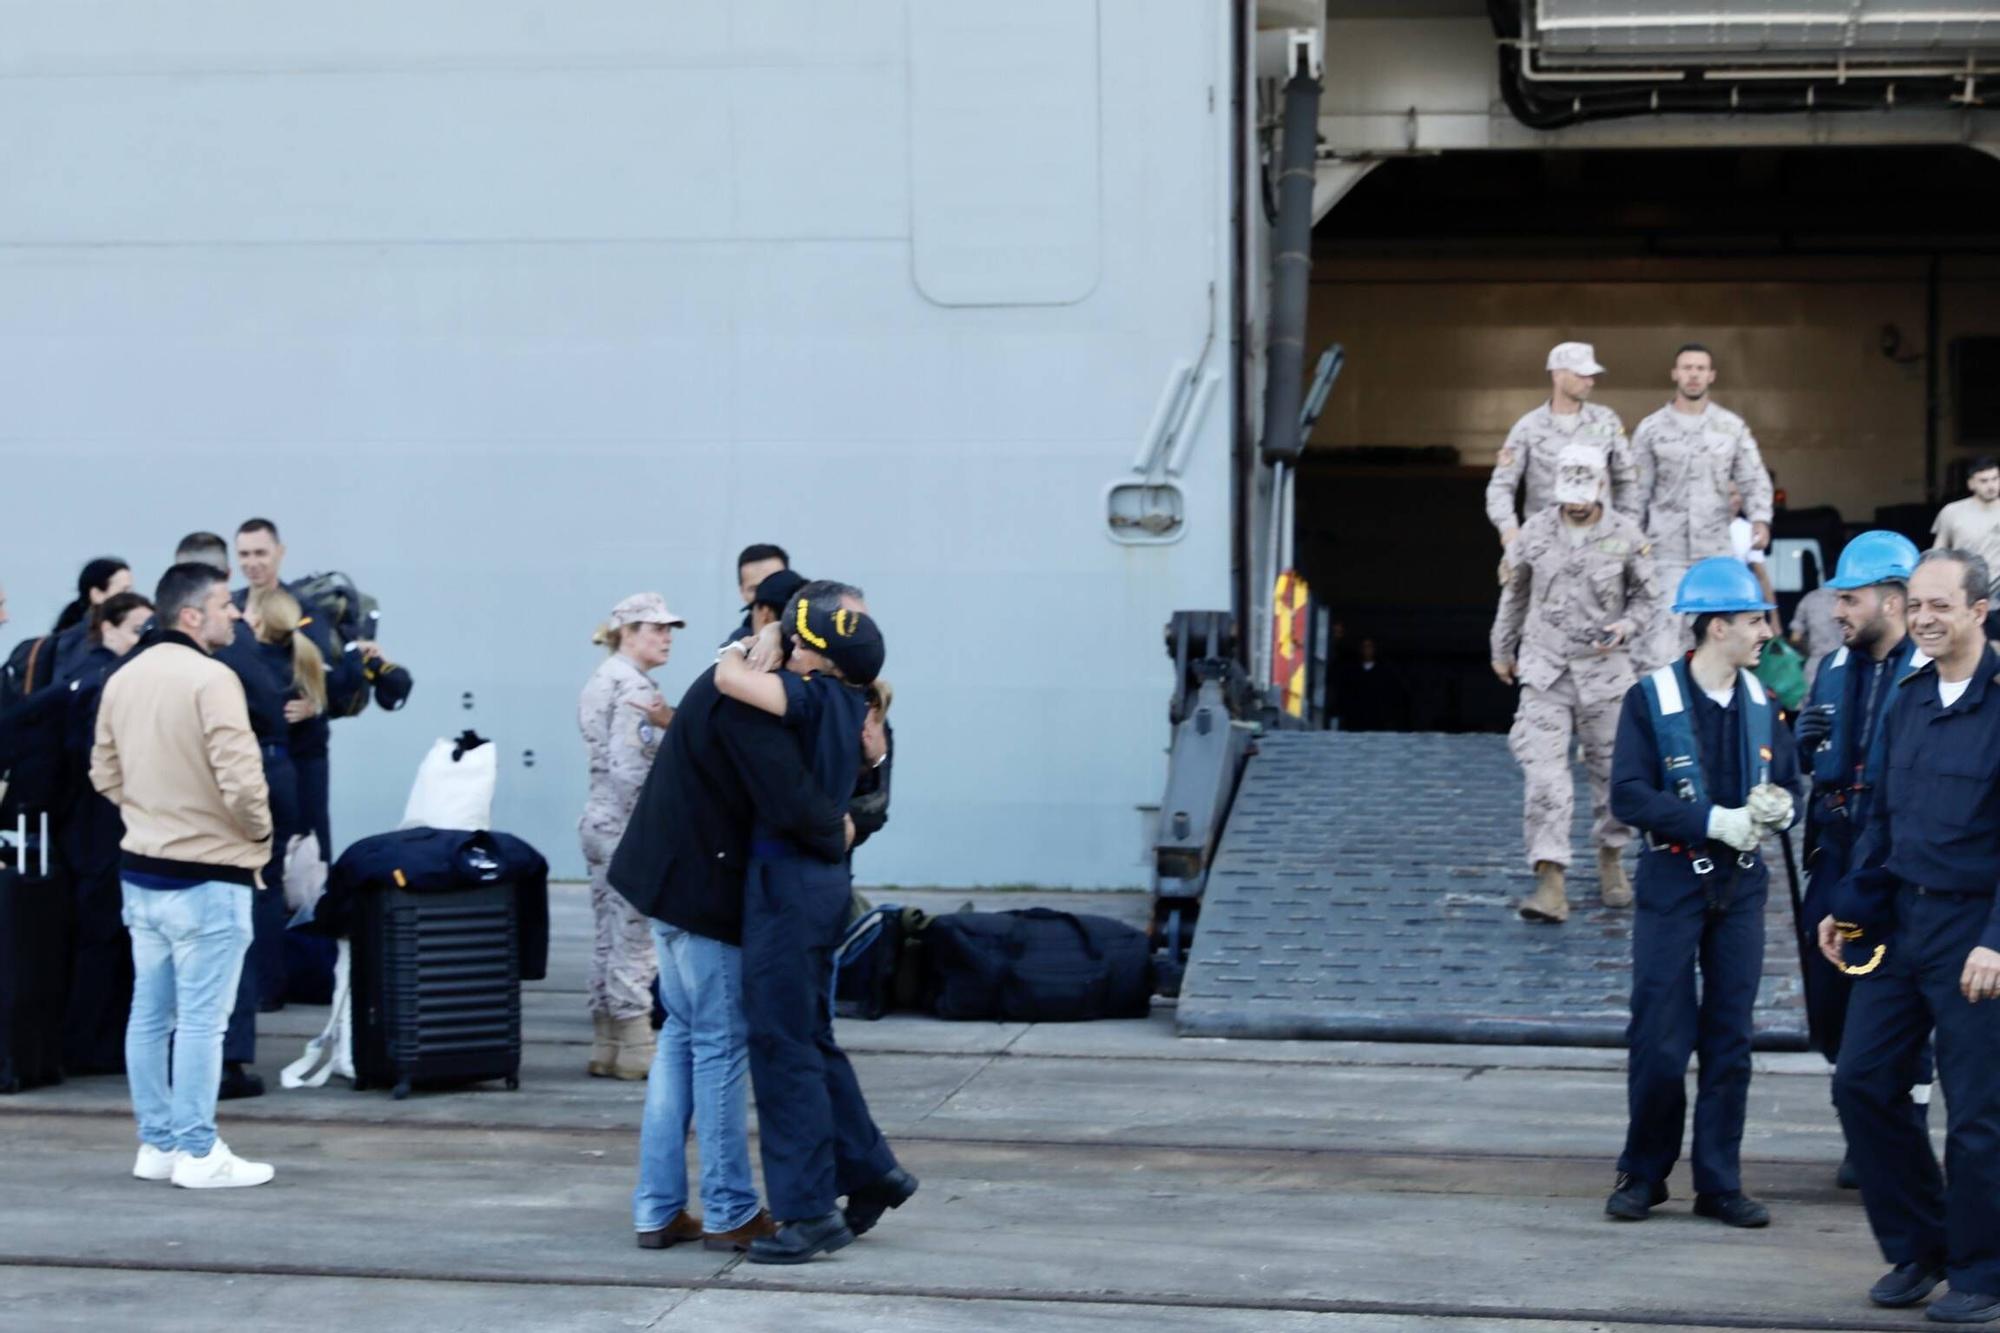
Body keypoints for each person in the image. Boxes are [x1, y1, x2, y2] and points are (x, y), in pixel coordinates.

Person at [607, 608, 854, 1257]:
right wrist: (847, 826)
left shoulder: (727, 670)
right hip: (702, 894)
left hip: (663, 882)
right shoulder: (748, 695)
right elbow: (798, 810)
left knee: (681, 1042)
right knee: (719, 1045)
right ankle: (728, 1210)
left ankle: (657, 1208)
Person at [1821, 549, 2000, 1323]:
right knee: (1861, 1080)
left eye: (1941, 605)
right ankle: (1919, 1245)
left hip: (1976, 932)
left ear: (1980, 610)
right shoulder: (1910, 697)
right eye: (1916, 604)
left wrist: (1997, 938)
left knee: (1977, 1112)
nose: (1924, 617)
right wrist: (1850, 904)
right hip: (1904, 920)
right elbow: (1882, 820)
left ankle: (1981, 1267)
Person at [715, 583, 915, 1264]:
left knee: (781, 1046)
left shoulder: (810, 697)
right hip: (820, 883)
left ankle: (807, 1212)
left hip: (787, 885)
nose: (793, 648)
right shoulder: (857, 706)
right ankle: (871, 1167)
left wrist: (759, 641)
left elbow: (726, 676)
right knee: (808, 1036)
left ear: (821, 658)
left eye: (803, 642)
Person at [1605, 556, 1801, 1228]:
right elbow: (1628, 794)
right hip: (1671, 880)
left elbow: (1791, 788)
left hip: (1741, 887)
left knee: (1728, 1037)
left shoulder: (1763, 703)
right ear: (1717, 627)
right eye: (1753, 621)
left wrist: (1782, 809)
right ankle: (1643, 1172)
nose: (1764, 633)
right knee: (1660, 1034)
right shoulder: (1649, 699)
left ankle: (1719, 1180)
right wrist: (1714, 820)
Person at [90, 562, 274, 1189]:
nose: (237, 615)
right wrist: (257, 836)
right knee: (201, 1020)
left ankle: (158, 1143)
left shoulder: (122, 677)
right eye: (226, 605)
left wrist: (150, 814)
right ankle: (199, 1152)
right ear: (191, 616)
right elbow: (243, 780)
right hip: (209, 874)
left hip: (142, 871)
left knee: (150, 1014)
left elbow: (104, 772)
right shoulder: (212, 679)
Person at [1791, 532, 1929, 1191]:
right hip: (1836, 852)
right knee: (1828, 997)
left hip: (1898, 860)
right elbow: (1818, 768)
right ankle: (1861, 1109)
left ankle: (1897, 1131)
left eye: (1848, 599)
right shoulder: (1833, 667)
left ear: (1893, 600)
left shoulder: (1931, 674)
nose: (1836, 612)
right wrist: (1803, 751)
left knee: (1896, 994)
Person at [1491, 445, 1659, 922]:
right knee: (1545, 776)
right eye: (1568, 495)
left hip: (1605, 675)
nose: (1576, 504)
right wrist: (1501, 648)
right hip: (1545, 671)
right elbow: (1516, 593)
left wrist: (1627, 626)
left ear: (1601, 486)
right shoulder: (1535, 534)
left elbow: (1649, 601)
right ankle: (1551, 879)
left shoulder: (1626, 536)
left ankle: (1611, 858)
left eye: (1584, 495)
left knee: (1612, 776)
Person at [578, 592, 684, 1081]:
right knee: (633, 936)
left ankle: (607, 1043)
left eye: (668, 630)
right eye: (655, 628)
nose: (666, 638)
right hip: (626, 824)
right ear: (627, 632)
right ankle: (637, 1046)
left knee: (607, 933)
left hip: (599, 821)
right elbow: (629, 771)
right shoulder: (634, 689)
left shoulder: (603, 680)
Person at [233, 518, 371, 862]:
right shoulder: (229, 608)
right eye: (244, 554)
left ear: (279, 553)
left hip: (302, 751)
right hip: (247, 752)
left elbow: (331, 673)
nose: (253, 563)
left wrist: (316, 705)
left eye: (261, 553)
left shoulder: (305, 609)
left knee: (307, 851)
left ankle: (314, 914)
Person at [57, 591, 155, 1075]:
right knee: (102, 939)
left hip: (88, 827)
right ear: (109, 628)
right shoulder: (103, 680)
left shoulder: (86, 675)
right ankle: (89, 1045)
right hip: (101, 829)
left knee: (101, 938)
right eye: (138, 629)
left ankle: (92, 1042)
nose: (144, 641)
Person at [1630, 344, 1774, 668]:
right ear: (1675, 374)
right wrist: (1630, 542)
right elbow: (1635, 492)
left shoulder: (1731, 427)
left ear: (1711, 375)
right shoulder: (1651, 429)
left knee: (1719, 639)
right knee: (1660, 647)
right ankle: (1662, 714)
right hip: (1665, 554)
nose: (1693, 374)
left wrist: (1761, 519)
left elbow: (1753, 477)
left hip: (1714, 553)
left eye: (1700, 368)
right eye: (1687, 367)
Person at [1486, 342, 1639, 564]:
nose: (1590, 382)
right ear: (1557, 375)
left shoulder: (1606, 421)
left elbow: (1627, 481)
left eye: (1592, 375)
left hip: (1599, 546)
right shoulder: (1529, 427)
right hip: (1545, 546)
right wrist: (1509, 530)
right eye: (1581, 375)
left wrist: (1626, 529)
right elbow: (1501, 486)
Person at [1931, 457, 2000, 642]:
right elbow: (1938, 552)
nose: (1991, 486)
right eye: (1984, 481)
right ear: (1971, 484)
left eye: (1995, 479)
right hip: (1963, 594)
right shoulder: (1952, 512)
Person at [1790, 582, 1843, 689]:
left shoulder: (1810, 599)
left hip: (1815, 665)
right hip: (1843, 665)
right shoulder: (1846, 598)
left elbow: (1795, 638)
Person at [734, 544, 791, 640]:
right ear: (742, 592)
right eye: (755, 589)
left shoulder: (815, 626)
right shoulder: (738, 642)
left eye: (774, 585)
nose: (765, 595)